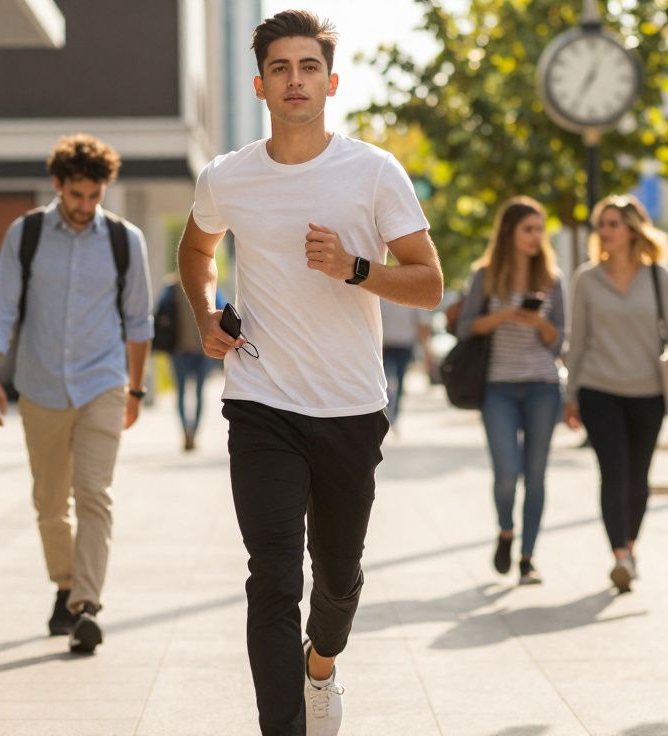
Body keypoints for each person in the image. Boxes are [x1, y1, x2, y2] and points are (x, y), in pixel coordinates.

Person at [176, 11, 443, 735]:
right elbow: (196, 253)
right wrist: (206, 315)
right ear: (261, 84)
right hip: (261, 401)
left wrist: (356, 269)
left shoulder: (373, 171)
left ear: (331, 82)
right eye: (282, 69)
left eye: (309, 67)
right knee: (271, 579)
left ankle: (321, 662)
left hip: (350, 406)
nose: (296, 80)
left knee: (337, 579)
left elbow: (429, 283)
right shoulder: (227, 177)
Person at [0, 134, 153, 654]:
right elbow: (0, 309)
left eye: (94, 197)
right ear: (58, 185)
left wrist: (136, 390)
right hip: (41, 387)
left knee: (95, 493)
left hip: (103, 383)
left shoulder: (126, 241)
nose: (85, 207)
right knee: (50, 504)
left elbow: (139, 322)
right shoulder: (26, 234)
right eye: (76, 195)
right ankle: (65, 585)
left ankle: (87, 606)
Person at [564, 194, 668, 594]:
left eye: (612, 224)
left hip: (647, 392)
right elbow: (578, 340)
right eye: (601, 225)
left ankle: (631, 546)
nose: (604, 232)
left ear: (632, 230)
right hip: (598, 388)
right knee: (615, 471)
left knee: (639, 478)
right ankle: (620, 555)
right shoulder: (586, 279)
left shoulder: (658, 275)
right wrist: (570, 395)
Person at [454, 196, 566, 586]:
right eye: (529, 229)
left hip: (543, 386)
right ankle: (506, 530)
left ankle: (528, 557)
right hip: (497, 388)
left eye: (540, 229)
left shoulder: (552, 278)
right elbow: (466, 327)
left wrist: (538, 323)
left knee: (535, 476)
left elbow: (559, 340)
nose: (537, 237)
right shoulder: (485, 276)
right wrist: (500, 316)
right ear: (510, 233)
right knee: (507, 473)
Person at [156, 274, 225, 452]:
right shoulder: (175, 289)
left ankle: (190, 431)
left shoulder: (206, 287)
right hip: (184, 350)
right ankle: (189, 432)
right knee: (189, 394)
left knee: (191, 393)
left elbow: (224, 309)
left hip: (200, 351)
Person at [379, 298, 431, 429]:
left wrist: (426, 350)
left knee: (400, 382)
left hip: (405, 346)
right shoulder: (381, 296)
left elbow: (422, 324)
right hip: (385, 346)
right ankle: (384, 413)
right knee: (384, 382)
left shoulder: (412, 294)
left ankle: (393, 415)